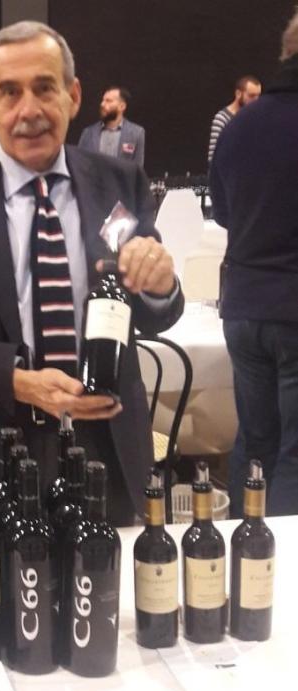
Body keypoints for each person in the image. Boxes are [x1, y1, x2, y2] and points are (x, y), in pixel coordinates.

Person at [0, 21, 184, 522]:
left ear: (73, 96)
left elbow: (150, 310)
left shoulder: (120, 184)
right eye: (9, 92)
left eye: (44, 88)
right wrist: (17, 380)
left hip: (106, 445)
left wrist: (161, 287)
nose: (28, 110)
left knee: (111, 574)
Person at [209, 13, 298, 517]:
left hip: (242, 306)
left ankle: (242, 543)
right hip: (292, 310)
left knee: (254, 440)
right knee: (294, 451)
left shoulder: (239, 125)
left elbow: (221, 212)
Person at [78, 86, 145, 167]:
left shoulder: (137, 133)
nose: (102, 104)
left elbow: (138, 169)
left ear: (122, 106)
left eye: (108, 101)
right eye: (103, 100)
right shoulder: (88, 133)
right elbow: (79, 165)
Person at [207, 75, 261, 165]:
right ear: (238, 94)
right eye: (251, 96)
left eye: (258, 96)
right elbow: (213, 158)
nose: (256, 100)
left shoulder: (257, 117)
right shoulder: (222, 118)